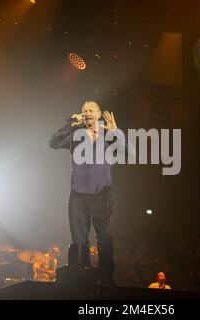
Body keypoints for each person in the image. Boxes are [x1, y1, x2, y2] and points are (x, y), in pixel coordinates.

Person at [49, 101, 128, 285]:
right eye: (84, 111)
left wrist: (116, 130)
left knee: (104, 235)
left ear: (99, 114)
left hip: (102, 194)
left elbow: (126, 151)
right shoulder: (75, 134)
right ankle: (81, 273)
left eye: (91, 110)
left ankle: (105, 276)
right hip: (78, 194)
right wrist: (70, 124)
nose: (87, 113)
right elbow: (53, 143)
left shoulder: (108, 134)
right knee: (79, 236)